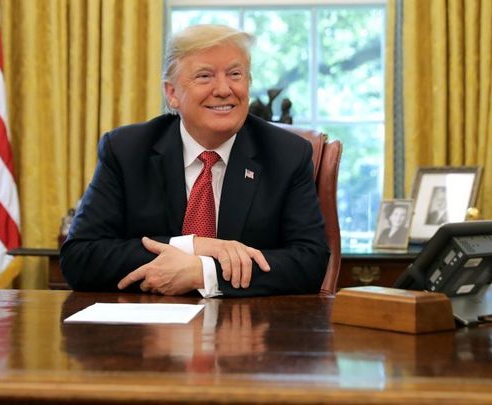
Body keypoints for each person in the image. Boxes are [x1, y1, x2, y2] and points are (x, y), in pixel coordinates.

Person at [60, 24, 329, 297]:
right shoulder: (127, 150)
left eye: (235, 74)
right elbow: (80, 257)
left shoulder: (286, 154)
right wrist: (193, 246)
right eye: (204, 76)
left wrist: (204, 272)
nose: (224, 89)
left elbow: (310, 262)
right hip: (145, 331)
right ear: (172, 93)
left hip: (245, 329)